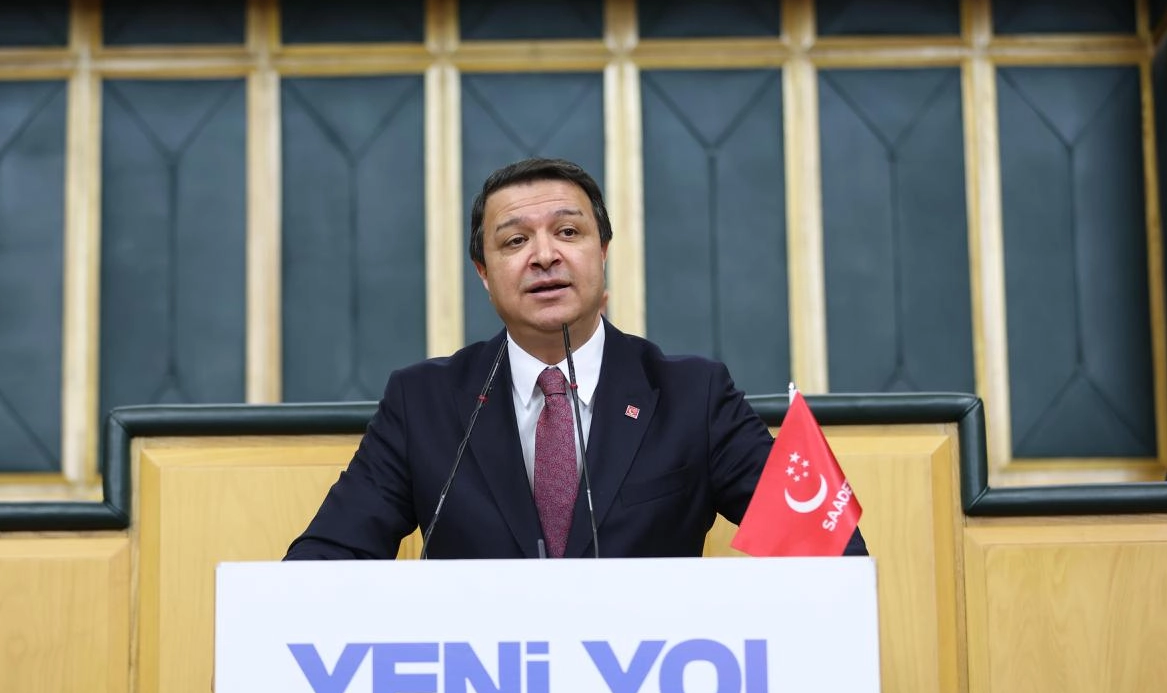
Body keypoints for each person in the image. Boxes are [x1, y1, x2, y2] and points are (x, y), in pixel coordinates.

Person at [285, 157, 867, 560]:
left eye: (568, 232)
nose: (544, 256)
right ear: (483, 273)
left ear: (603, 252)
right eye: (515, 241)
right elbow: (325, 559)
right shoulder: (424, 403)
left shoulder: (694, 396)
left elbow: (827, 547)